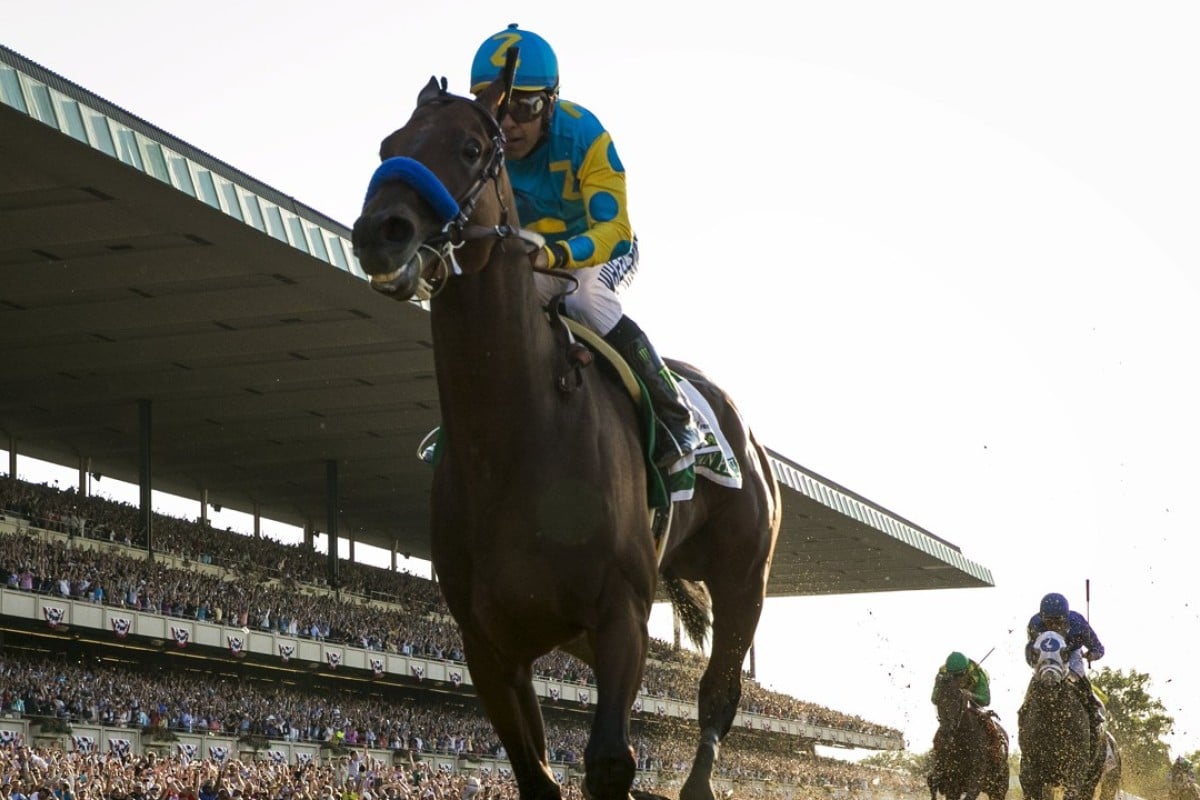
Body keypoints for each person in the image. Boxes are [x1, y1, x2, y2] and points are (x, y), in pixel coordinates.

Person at [469, 23, 703, 471]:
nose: (509, 123)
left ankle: (674, 412)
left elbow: (615, 230)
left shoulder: (585, 136)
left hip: (602, 251)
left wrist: (555, 256)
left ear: (551, 103)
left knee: (586, 296)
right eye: (497, 107)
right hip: (534, 260)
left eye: (525, 106)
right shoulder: (480, 148)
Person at [1026, 592, 1106, 740]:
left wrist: (1091, 655)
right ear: (1042, 617)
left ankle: (1093, 711)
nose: (1053, 625)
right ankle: (1024, 711)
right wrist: (1033, 659)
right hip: (1046, 656)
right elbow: (1030, 650)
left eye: (1058, 621)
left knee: (1080, 680)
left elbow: (1099, 648)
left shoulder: (1078, 623)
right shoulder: (1035, 624)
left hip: (1071, 654)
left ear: (1066, 618)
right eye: (1049, 621)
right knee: (1035, 682)